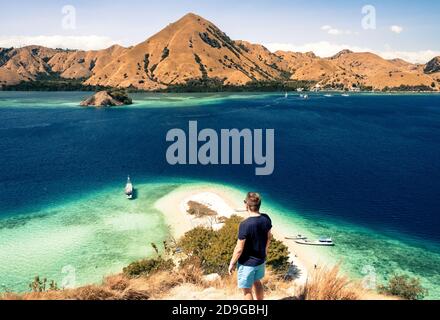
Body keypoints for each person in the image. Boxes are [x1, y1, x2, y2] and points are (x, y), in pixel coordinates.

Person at [228, 192, 272, 300]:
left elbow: (239, 249)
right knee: (257, 282)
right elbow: (269, 237)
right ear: (259, 205)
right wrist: (265, 251)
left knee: (246, 290)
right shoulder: (266, 218)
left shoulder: (245, 224)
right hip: (260, 260)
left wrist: (232, 263)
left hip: (247, 263)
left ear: (246, 205)